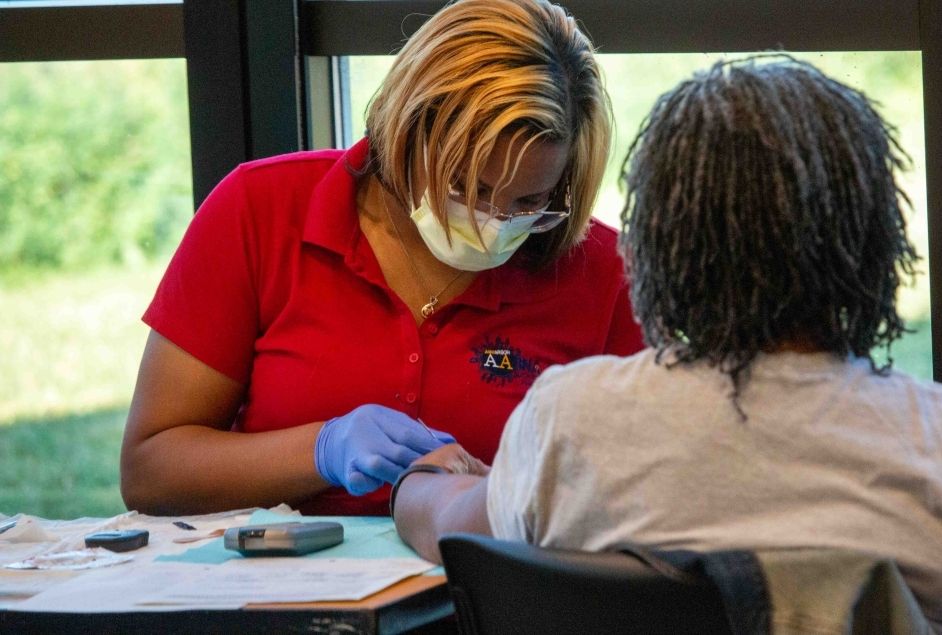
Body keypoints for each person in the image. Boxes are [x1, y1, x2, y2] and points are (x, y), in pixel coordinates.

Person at [391, 57, 942, 633]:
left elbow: (446, 525)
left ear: (650, 251)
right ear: (879, 246)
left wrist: (417, 482)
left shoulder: (565, 423)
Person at [119, 0, 643, 517]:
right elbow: (151, 472)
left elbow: (652, 485)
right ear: (407, 131)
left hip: (493, 591)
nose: (492, 224)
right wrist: (322, 449)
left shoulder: (598, 271)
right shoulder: (261, 211)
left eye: (528, 202)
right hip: (277, 590)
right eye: (465, 187)